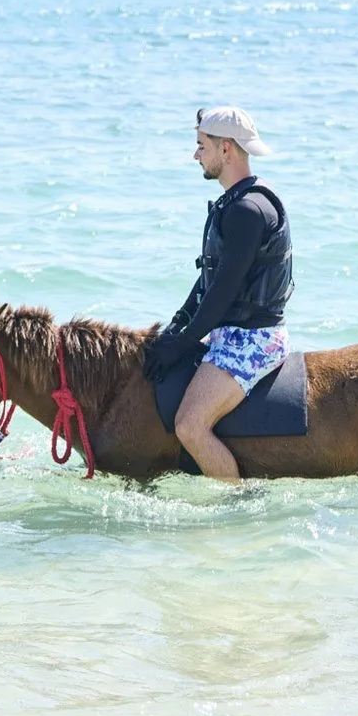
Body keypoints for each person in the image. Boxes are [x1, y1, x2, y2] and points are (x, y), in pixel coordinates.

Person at [140, 106, 294, 481]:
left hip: (253, 341)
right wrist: (175, 329)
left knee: (190, 425)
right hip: (230, 334)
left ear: (226, 149)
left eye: (201, 146)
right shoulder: (235, 201)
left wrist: (179, 345)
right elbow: (208, 281)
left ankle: (237, 507)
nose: (196, 155)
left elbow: (221, 295)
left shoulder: (249, 210)